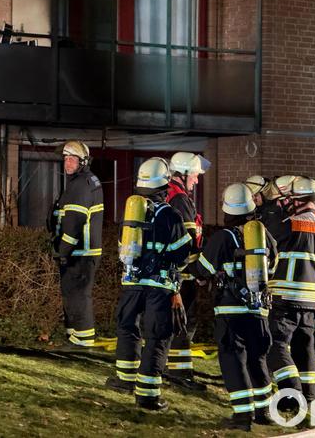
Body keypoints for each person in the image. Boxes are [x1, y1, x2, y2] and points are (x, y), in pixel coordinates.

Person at [104, 157, 192, 411]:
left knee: (128, 328)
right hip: (159, 285)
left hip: (132, 282)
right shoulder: (171, 216)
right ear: (164, 186)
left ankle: (125, 379)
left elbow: (124, 247)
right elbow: (182, 255)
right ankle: (148, 395)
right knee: (157, 336)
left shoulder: (131, 211)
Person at [194, 183, 277, 431]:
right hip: (259, 310)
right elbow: (272, 268)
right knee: (257, 360)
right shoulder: (266, 237)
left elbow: (202, 269)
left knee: (233, 361)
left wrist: (201, 273)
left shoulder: (223, 237)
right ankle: (264, 412)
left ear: (227, 210)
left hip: (231, 311)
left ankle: (242, 417)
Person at [267, 177, 315, 410]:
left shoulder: (286, 225)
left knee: (276, 345)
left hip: (284, 300)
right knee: (306, 349)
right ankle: (310, 398)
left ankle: (291, 396)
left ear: (295, 199)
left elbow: (263, 248)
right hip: (312, 303)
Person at [48, 141, 104, 348]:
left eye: (72, 158)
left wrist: (63, 250)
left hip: (79, 252)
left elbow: (74, 223)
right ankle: (74, 336)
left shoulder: (80, 185)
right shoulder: (85, 181)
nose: (67, 162)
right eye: (65, 158)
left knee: (78, 295)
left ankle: (82, 340)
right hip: (80, 251)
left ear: (83, 161)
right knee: (72, 293)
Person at [164, 152, 210, 391]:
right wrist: (198, 271)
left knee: (176, 322)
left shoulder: (172, 195)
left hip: (177, 272)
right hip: (183, 275)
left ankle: (173, 368)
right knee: (183, 321)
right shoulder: (180, 200)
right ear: (182, 174)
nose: (197, 180)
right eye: (194, 175)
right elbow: (189, 241)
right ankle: (180, 373)